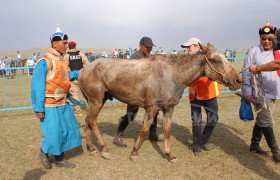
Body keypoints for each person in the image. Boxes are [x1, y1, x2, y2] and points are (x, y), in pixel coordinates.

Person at [31, 26, 82, 169]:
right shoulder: (44, 62)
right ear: (55, 44)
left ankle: (60, 159)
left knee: (65, 130)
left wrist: (81, 72)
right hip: (49, 105)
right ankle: (43, 152)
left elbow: (66, 77)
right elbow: (37, 87)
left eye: (66, 43)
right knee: (53, 133)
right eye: (64, 43)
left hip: (62, 103)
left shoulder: (61, 61)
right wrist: (38, 107)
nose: (67, 46)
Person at [113, 36, 163, 147]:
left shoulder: (149, 57)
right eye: (147, 47)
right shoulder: (135, 57)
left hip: (149, 91)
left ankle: (152, 134)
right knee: (131, 114)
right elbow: (129, 75)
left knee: (154, 111)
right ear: (140, 46)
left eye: (150, 47)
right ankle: (118, 136)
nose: (149, 49)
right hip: (135, 92)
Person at [242, 20, 280, 162]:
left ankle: (254, 144)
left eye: (270, 38)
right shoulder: (254, 52)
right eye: (263, 38)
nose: (266, 41)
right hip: (259, 93)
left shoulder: (278, 51)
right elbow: (246, 73)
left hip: (275, 90)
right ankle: (276, 151)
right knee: (267, 121)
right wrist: (247, 93)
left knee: (262, 119)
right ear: (259, 39)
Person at [181, 37, 221, 156]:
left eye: (189, 46)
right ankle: (197, 146)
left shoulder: (208, 58)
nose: (187, 49)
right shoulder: (186, 60)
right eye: (187, 47)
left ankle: (203, 140)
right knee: (196, 121)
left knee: (213, 119)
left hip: (209, 93)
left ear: (197, 47)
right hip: (195, 95)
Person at [63, 41, 89, 117]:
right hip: (82, 76)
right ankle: (89, 108)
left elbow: (64, 67)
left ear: (69, 47)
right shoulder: (81, 54)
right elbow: (87, 64)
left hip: (72, 78)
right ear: (75, 46)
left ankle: (78, 112)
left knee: (75, 95)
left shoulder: (66, 56)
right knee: (86, 94)